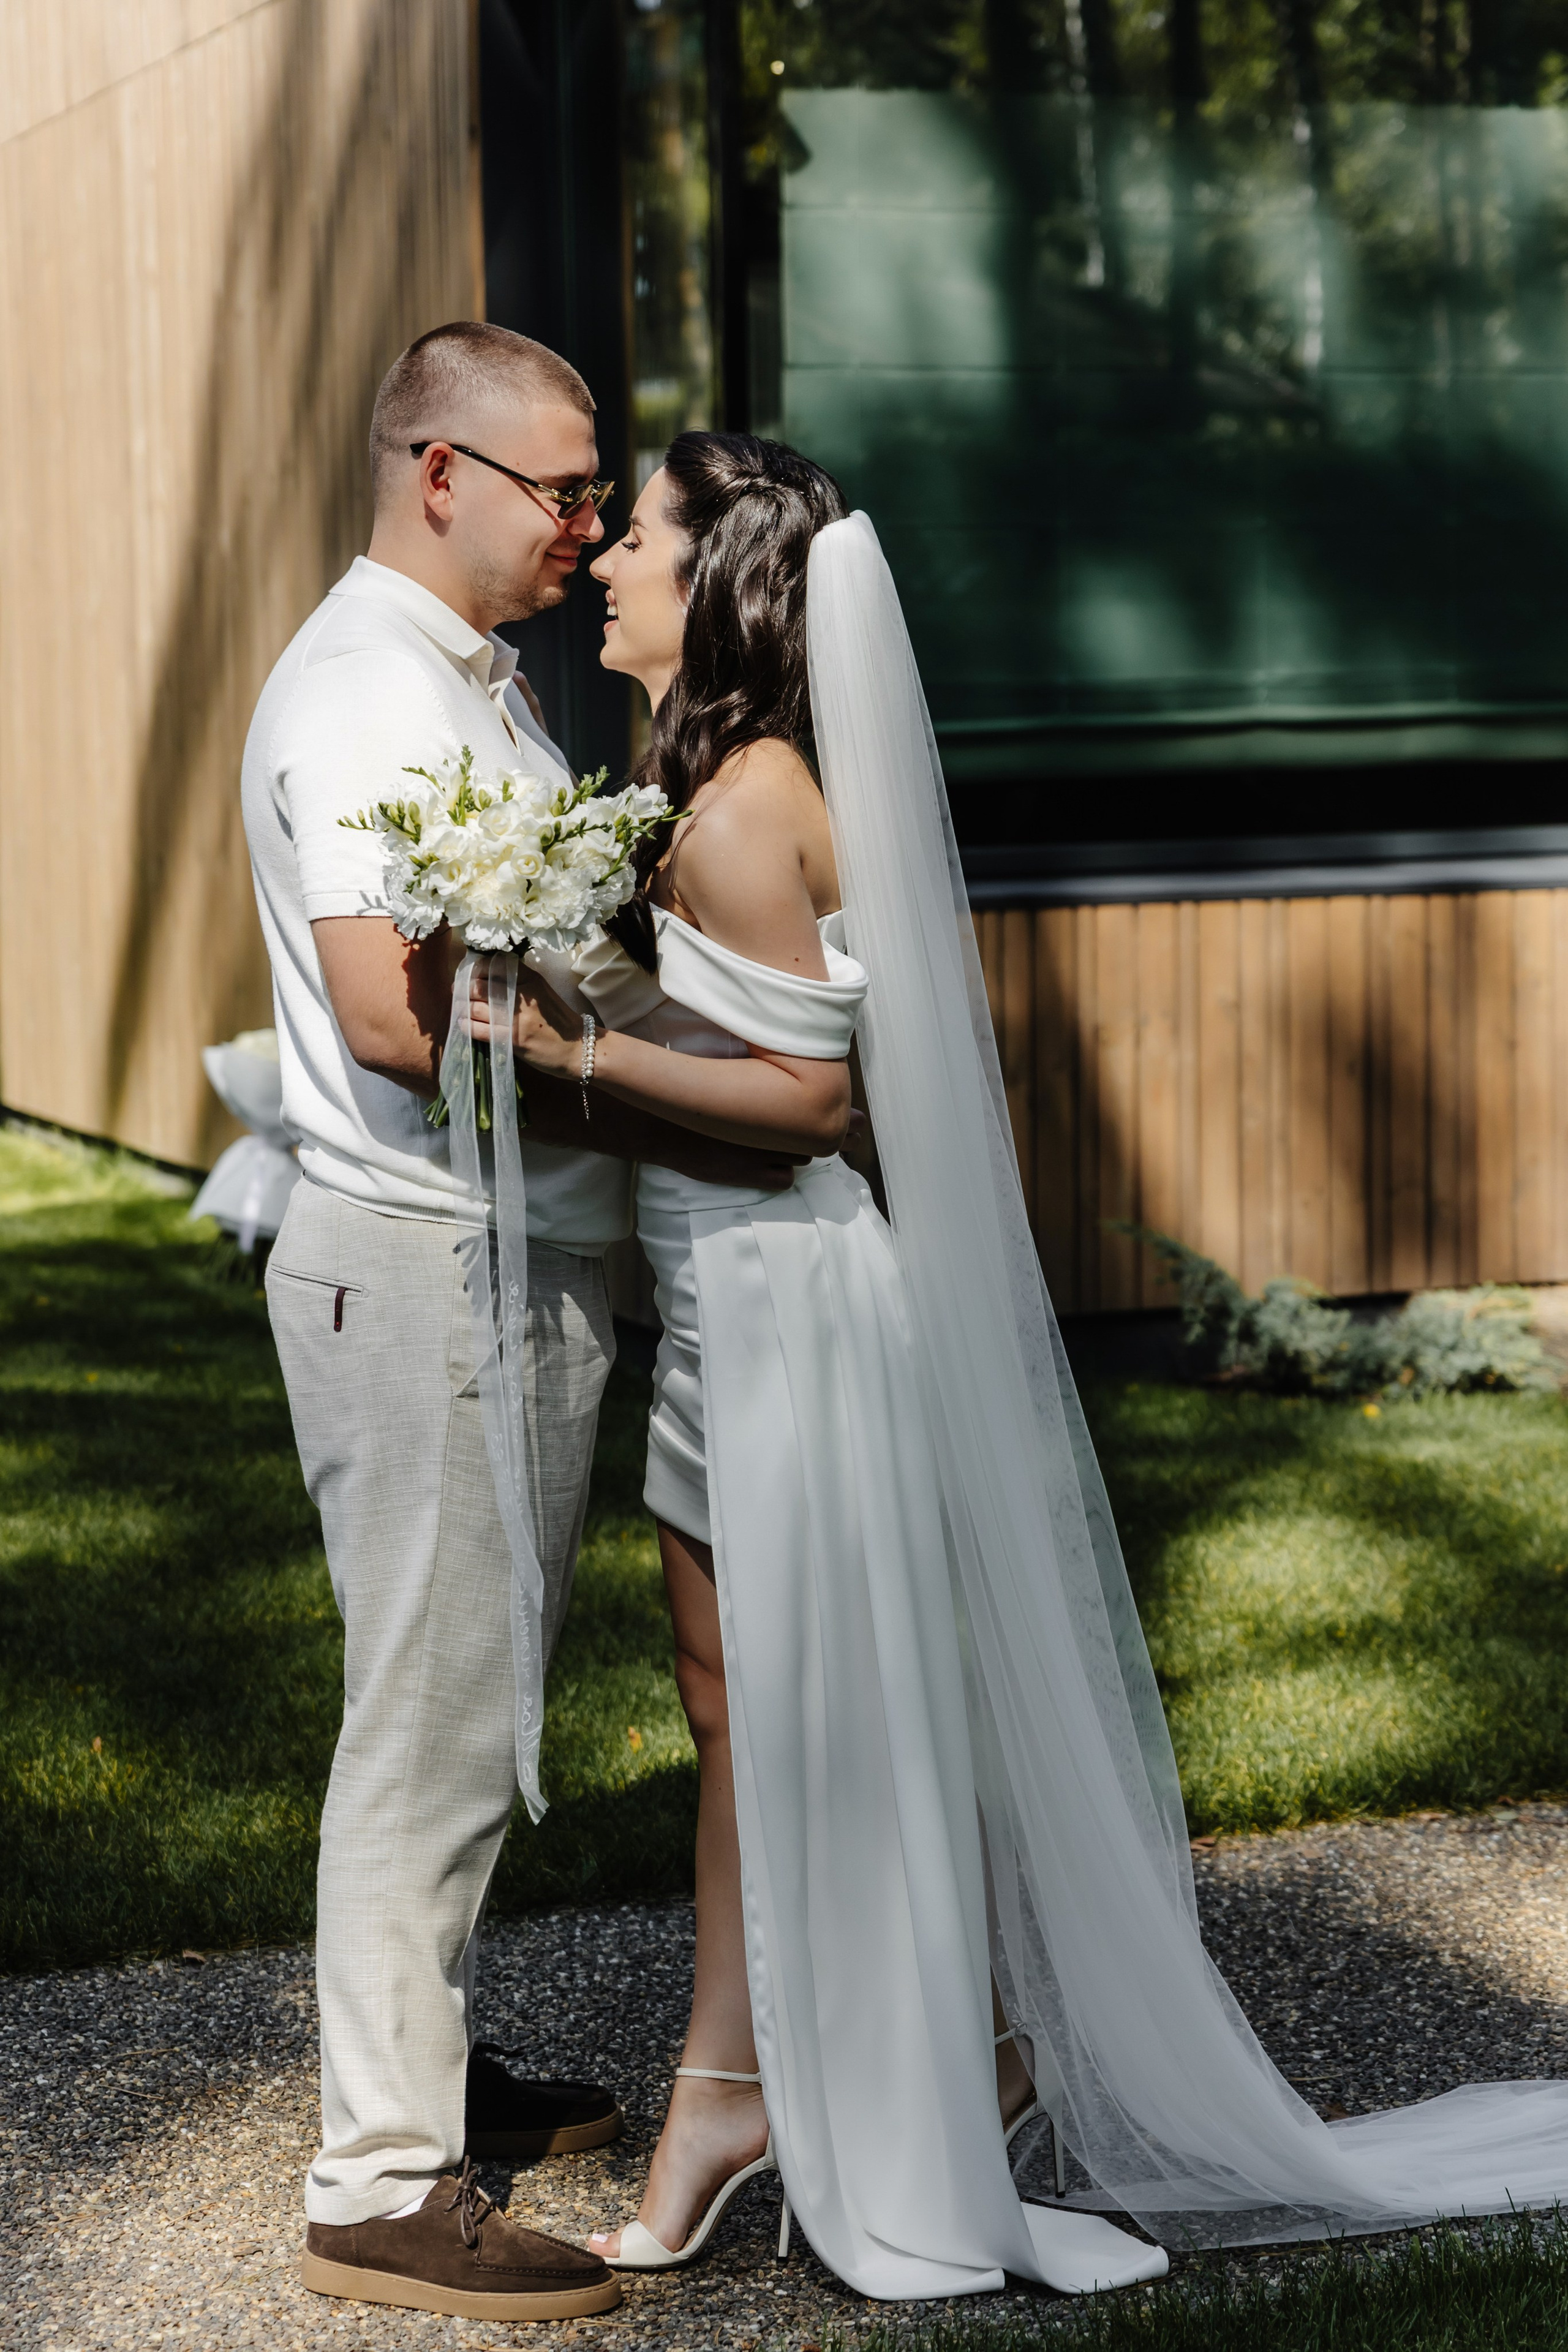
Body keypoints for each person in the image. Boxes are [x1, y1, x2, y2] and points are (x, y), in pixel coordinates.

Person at [471, 429, 1568, 2301]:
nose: (603, 565)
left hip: (786, 1310)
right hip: (735, 1299)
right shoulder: (722, 785)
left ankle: (739, 2097)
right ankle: (933, 2052)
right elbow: (765, 1043)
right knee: (757, 1714)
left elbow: (816, 1102)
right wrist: (590, 978)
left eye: (636, 536)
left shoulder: (742, 807)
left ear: (717, 576)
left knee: (797, 1719)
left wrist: (559, 1054)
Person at [241, 327, 802, 2327]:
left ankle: (433, 2070)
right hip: (425, 1269)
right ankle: (384, 2186)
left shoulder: (467, 676)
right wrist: (687, 1098)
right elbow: (399, 1025)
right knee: (436, 1718)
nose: (586, 526)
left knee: (467, 1695)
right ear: (435, 470)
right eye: (561, 490)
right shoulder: (362, 691)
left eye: (594, 498)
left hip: (495, 1262)